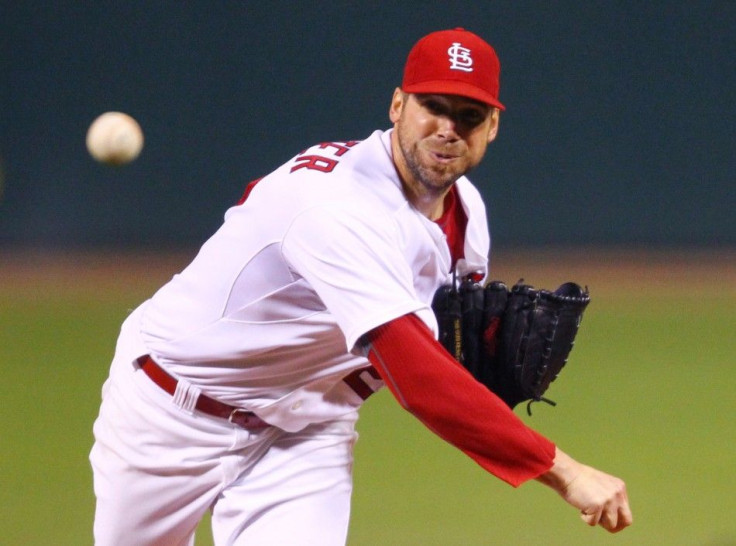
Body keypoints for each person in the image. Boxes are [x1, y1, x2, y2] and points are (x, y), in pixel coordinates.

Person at [90, 27, 632, 545]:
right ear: (398, 106)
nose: (448, 128)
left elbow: (442, 343)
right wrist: (562, 470)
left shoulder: (467, 212)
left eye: (469, 115)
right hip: (172, 412)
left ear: (492, 127)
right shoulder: (335, 208)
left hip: (305, 429)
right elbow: (417, 376)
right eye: (434, 108)